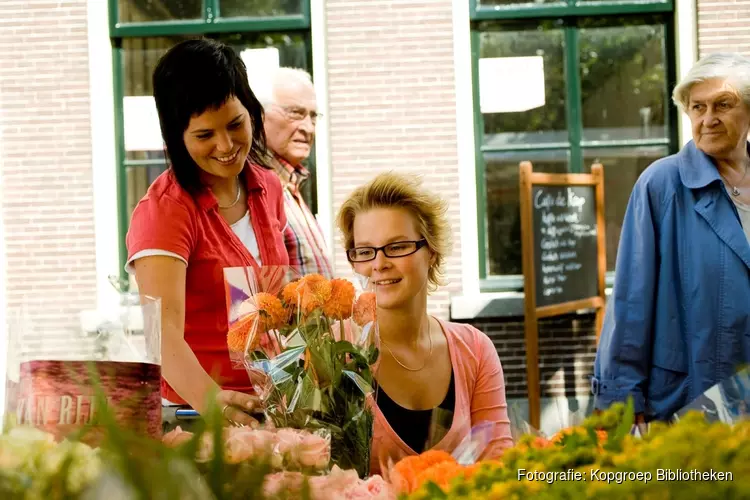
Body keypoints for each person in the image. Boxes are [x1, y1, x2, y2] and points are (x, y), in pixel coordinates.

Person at [126, 39, 294, 427]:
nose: (225, 145)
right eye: (204, 135)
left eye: (236, 124)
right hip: (197, 418)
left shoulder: (268, 188)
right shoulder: (166, 211)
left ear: (253, 112)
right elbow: (162, 333)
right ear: (176, 138)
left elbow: (278, 300)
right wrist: (210, 400)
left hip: (275, 408)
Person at [593, 52, 750, 423]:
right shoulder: (662, 185)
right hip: (690, 403)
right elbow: (631, 300)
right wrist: (622, 400)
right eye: (697, 107)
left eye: (723, 105)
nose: (707, 119)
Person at [336, 172, 513, 474]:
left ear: (431, 251)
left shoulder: (474, 349)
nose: (379, 263)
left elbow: (499, 464)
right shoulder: (331, 352)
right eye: (365, 251)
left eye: (397, 246)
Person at [257, 68, 333, 278]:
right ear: (258, 115)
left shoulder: (291, 186)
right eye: (296, 113)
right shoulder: (255, 190)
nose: (308, 128)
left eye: (313, 116)